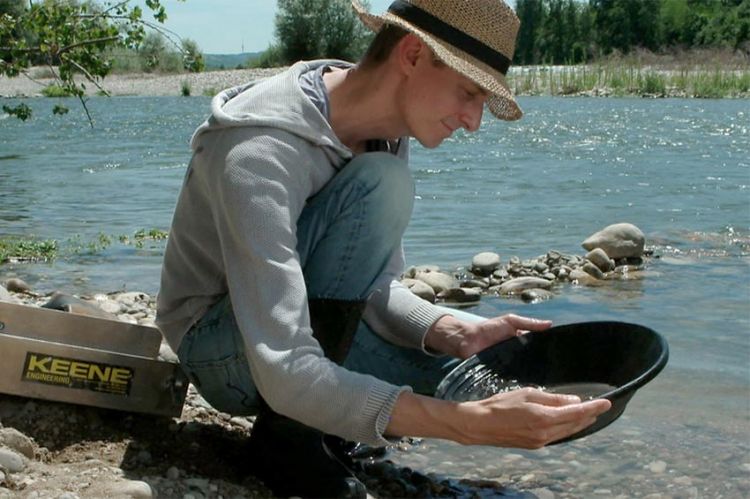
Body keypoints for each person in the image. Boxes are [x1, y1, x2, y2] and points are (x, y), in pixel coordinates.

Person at [156, 0, 612, 497]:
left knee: (472, 378)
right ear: (413, 55)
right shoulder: (259, 150)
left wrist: (451, 329)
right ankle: (287, 442)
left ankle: (326, 424)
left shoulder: (386, 131)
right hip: (225, 352)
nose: (474, 121)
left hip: (297, 331)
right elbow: (282, 365)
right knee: (458, 401)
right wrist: (463, 425)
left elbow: (366, 288)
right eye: (469, 92)